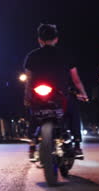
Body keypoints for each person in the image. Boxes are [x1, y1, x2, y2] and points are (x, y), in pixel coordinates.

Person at [24, 23, 88, 159]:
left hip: (39, 95)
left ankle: (32, 142)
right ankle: (77, 144)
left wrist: (27, 97)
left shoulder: (31, 56)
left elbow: (29, 81)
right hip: (60, 95)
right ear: (56, 39)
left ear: (39, 40)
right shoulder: (65, 55)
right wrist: (83, 94)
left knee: (34, 112)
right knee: (74, 110)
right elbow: (76, 80)